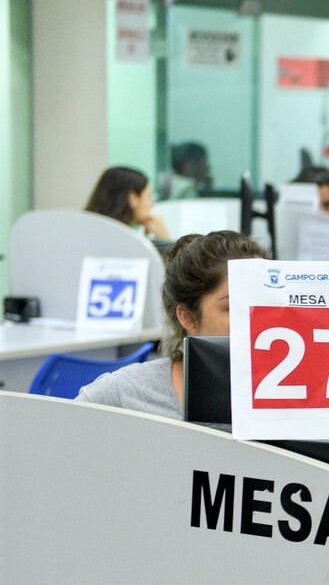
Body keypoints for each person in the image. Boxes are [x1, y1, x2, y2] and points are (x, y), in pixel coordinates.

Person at [75, 231, 267, 419]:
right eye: (232, 307)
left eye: (264, 304)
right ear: (188, 317)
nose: (254, 318)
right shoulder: (127, 394)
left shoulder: (289, 397)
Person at [84, 167, 172, 241]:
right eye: (148, 197)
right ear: (132, 198)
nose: (151, 205)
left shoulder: (86, 232)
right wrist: (165, 241)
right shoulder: (121, 241)